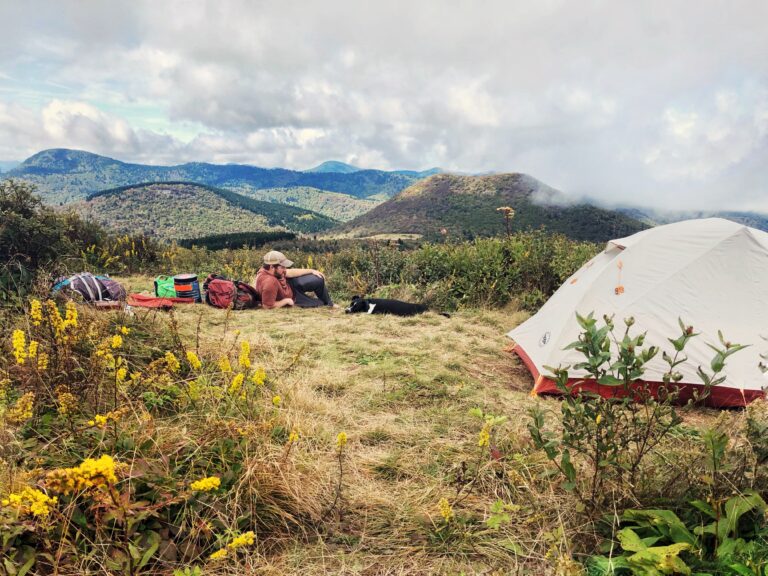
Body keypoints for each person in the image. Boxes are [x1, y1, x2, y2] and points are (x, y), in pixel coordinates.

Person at [254, 250, 336, 309]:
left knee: (318, 279)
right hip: (294, 298)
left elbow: (290, 272)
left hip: (291, 285)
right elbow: (267, 306)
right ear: (272, 267)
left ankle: (329, 303)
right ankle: (326, 304)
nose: (285, 269)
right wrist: (285, 301)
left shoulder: (270, 270)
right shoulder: (269, 282)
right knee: (320, 303)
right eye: (282, 267)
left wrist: (312, 271)